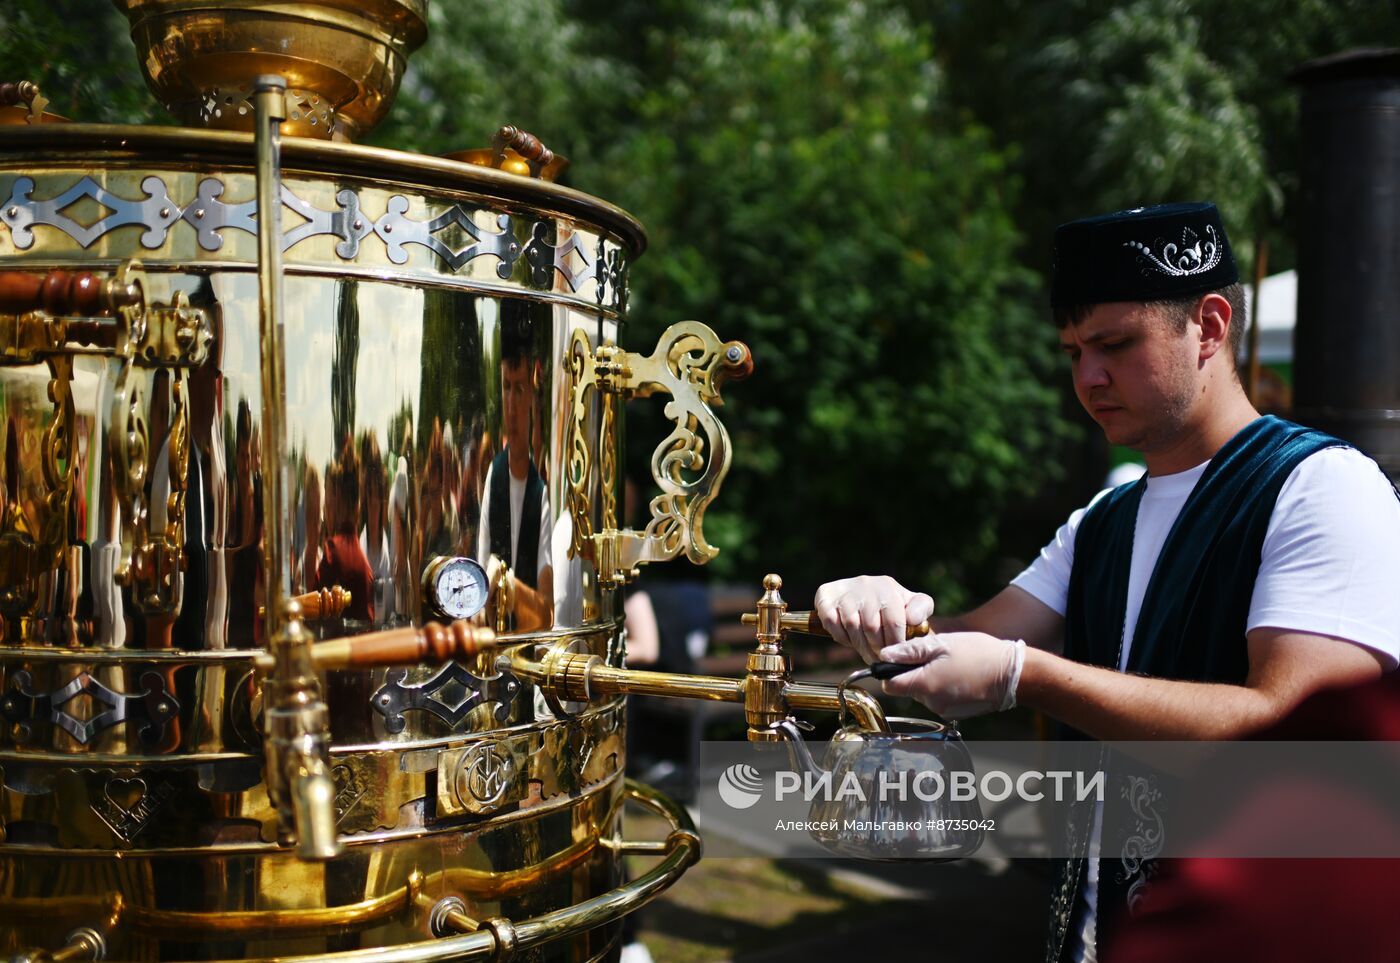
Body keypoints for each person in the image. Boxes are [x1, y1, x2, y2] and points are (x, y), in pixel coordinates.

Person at [813, 203, 1400, 963]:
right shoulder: (1104, 519)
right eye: (1072, 351)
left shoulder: (1324, 488)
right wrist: (890, 609)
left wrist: (1031, 676)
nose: (1088, 377)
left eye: (1115, 344)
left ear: (1211, 326)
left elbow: (1289, 743)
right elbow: (973, 643)